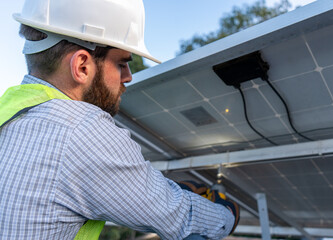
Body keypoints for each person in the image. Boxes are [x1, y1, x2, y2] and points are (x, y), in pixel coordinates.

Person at [0, 0, 239, 239]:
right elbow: (182, 218)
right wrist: (227, 213)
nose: (128, 76)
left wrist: (175, 191)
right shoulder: (81, 128)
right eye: (122, 63)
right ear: (82, 66)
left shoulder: (8, 111)